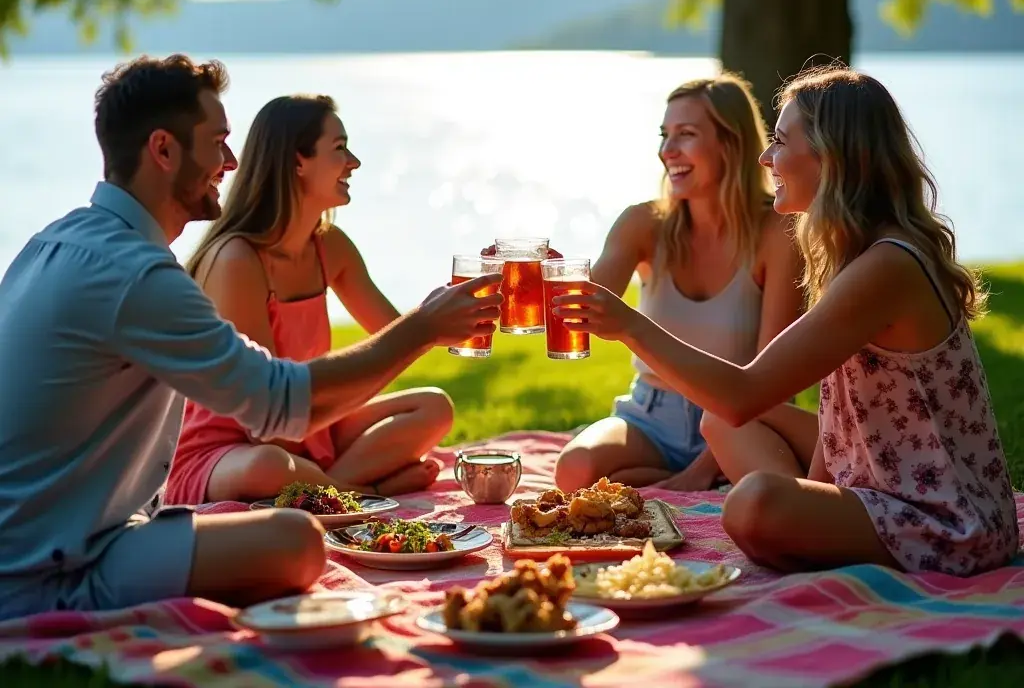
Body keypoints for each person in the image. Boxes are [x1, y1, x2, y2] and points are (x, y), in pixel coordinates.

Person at [0, 55, 501, 619]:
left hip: (51, 539)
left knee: (286, 533)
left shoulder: (53, 243)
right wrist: (424, 327)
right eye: (217, 142)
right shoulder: (136, 274)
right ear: (163, 151)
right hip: (50, 572)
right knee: (297, 544)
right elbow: (280, 404)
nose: (232, 162)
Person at [553, 65, 1018, 575]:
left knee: (753, 503)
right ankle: (811, 516)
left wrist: (630, 325)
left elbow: (745, 393)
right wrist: (819, 493)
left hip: (950, 524)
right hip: (876, 479)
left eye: (779, 140)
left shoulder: (887, 267)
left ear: (831, 154)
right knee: (723, 432)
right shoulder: (857, 256)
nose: (765, 157)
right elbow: (838, 409)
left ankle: (806, 519)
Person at [166, 94, 452, 505]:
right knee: (269, 465)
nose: (353, 162)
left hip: (308, 428)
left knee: (434, 408)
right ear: (296, 162)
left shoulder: (328, 247)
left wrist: (444, 314)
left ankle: (329, 489)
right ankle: (358, 492)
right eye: (339, 149)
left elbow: (395, 338)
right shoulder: (237, 260)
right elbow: (263, 423)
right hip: (231, 447)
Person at [554, 73, 804, 493]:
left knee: (771, 495)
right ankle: (678, 485)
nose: (667, 151)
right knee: (574, 470)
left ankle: (683, 483)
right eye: (664, 134)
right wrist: (550, 282)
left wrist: (700, 471)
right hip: (652, 416)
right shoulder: (643, 223)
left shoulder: (777, 233)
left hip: (741, 418)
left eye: (685, 135)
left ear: (731, 143)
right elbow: (582, 312)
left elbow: (773, 375)